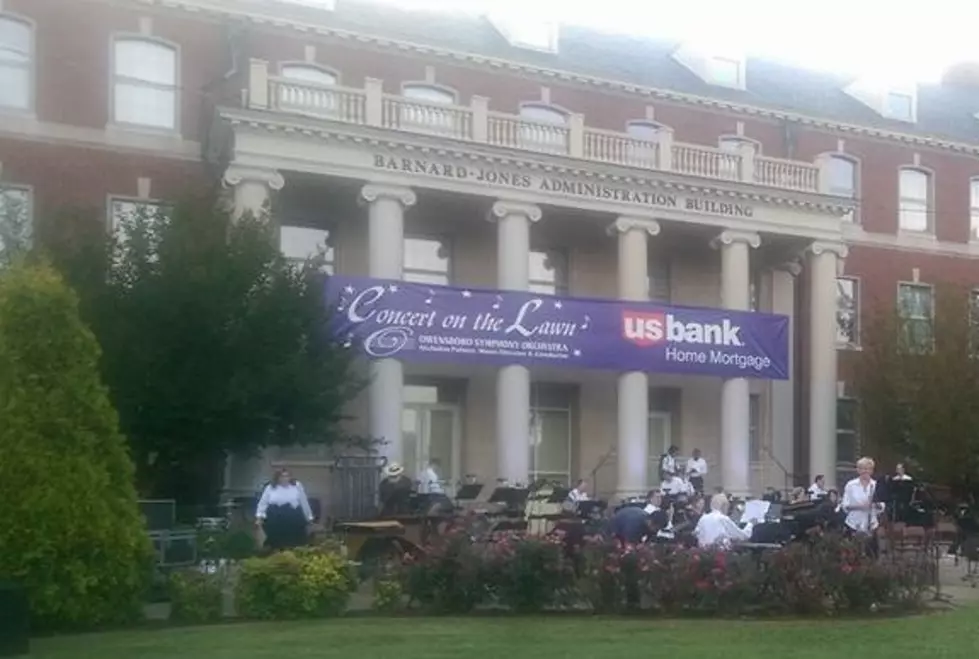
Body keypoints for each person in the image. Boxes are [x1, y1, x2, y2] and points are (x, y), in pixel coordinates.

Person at [255, 469, 314, 551]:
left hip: (292, 516)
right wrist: (259, 517)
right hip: (276, 517)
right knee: (276, 541)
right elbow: (263, 503)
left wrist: (309, 517)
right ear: (278, 478)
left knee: (294, 540)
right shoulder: (271, 487)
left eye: (287, 476)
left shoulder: (296, 486)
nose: (285, 478)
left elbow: (304, 502)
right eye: (282, 476)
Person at [842, 457, 885, 553]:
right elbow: (845, 505)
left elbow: (882, 506)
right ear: (858, 470)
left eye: (868, 468)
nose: (865, 471)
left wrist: (875, 504)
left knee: (872, 555)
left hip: (871, 524)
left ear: (872, 471)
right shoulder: (850, 485)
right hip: (853, 523)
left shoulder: (876, 485)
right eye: (862, 468)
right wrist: (860, 507)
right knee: (852, 554)